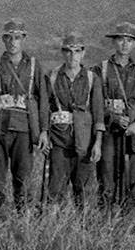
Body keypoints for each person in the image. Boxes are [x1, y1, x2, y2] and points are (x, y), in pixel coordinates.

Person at [0, 19, 45, 211]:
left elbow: (43, 100)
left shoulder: (34, 66)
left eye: (17, 38)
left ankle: (24, 215)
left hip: (24, 128)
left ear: (23, 39)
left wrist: (43, 130)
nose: (13, 42)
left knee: (23, 176)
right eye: (9, 38)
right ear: (3, 39)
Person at [39, 33, 104, 206]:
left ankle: (81, 228)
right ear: (62, 53)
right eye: (68, 51)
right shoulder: (52, 77)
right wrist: (44, 133)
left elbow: (98, 112)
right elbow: (45, 108)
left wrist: (97, 143)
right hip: (60, 141)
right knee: (55, 189)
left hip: (85, 142)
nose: (72, 56)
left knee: (83, 191)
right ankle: (54, 226)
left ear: (83, 53)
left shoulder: (92, 78)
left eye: (77, 51)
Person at [93, 22, 135, 211]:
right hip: (110, 130)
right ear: (114, 42)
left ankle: (130, 222)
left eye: (129, 40)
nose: (125, 44)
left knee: (133, 179)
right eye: (120, 39)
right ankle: (106, 222)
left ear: (134, 44)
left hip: (133, 133)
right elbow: (96, 103)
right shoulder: (100, 70)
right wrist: (114, 117)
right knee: (107, 177)